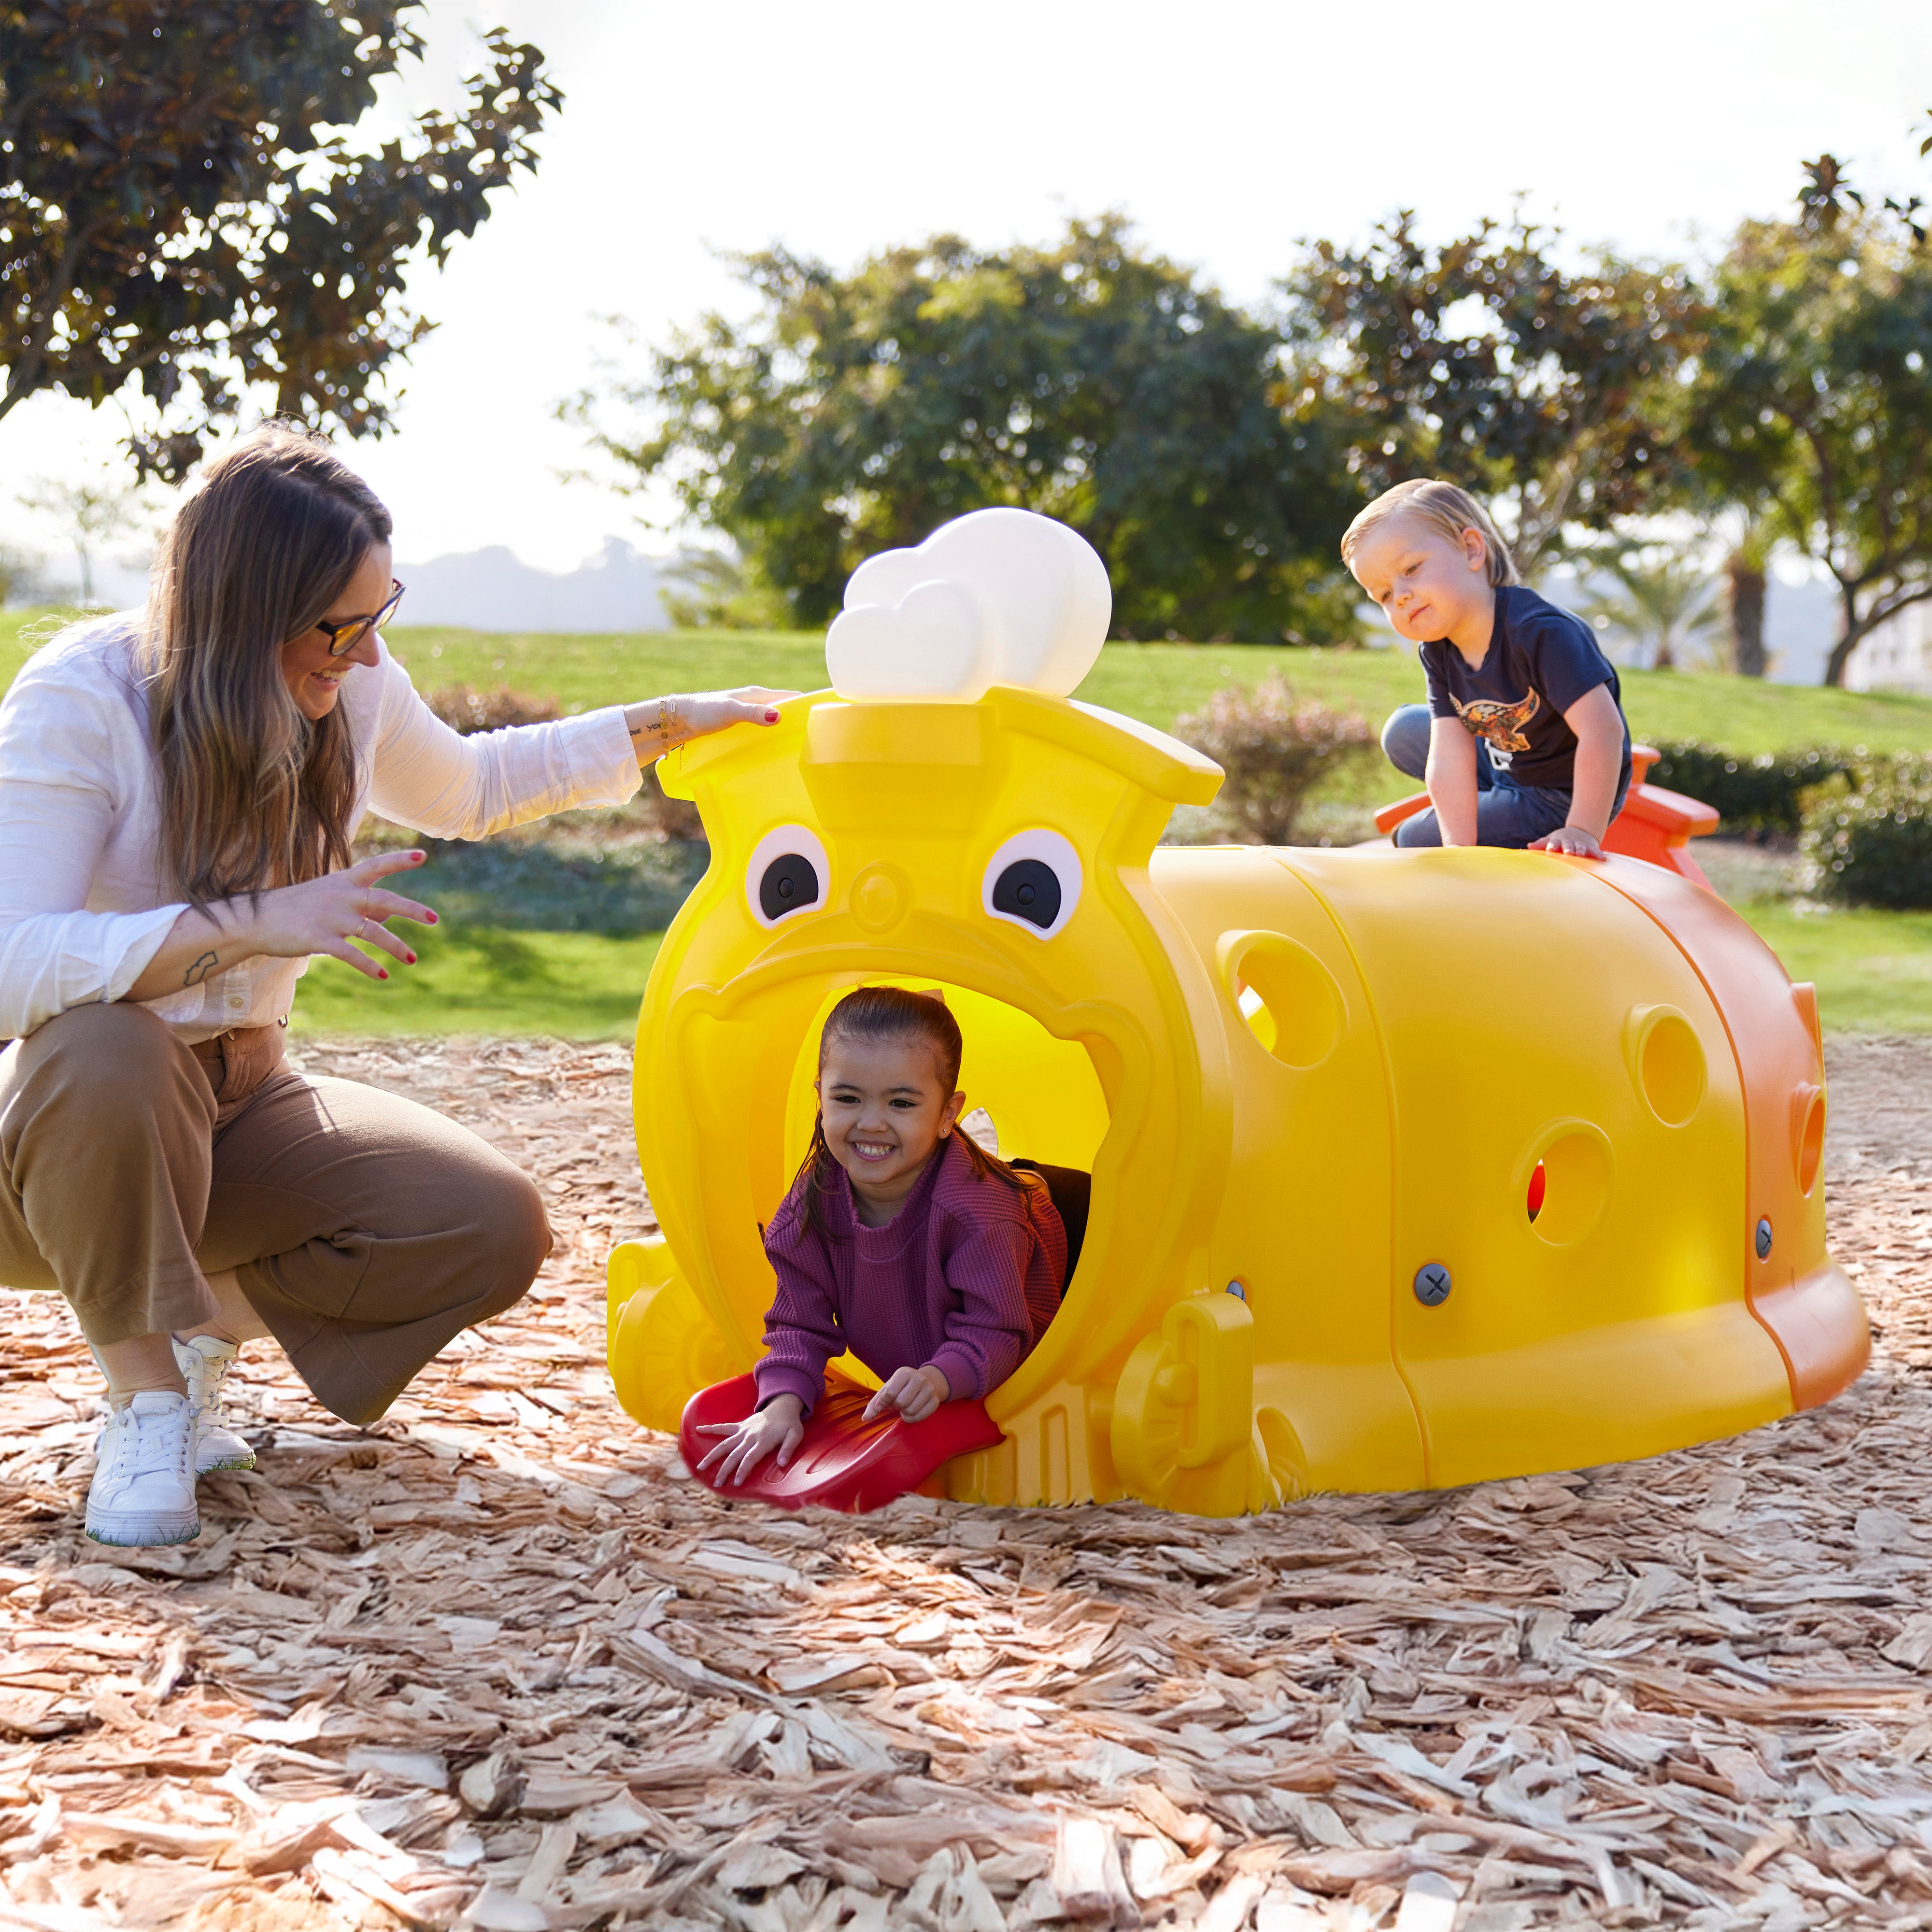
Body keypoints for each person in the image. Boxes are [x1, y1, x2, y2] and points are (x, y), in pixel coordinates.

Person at [0, 422, 792, 1547]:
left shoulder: (352, 689)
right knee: (107, 1043)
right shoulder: (84, 697)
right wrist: (250, 924)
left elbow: (473, 785)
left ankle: (183, 1333)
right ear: (244, 610)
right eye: (340, 624)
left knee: (487, 1225)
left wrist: (670, 721)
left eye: (381, 614)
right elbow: (12, 960)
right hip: (58, 1142)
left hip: (236, 1098)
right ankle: (147, 1400)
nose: (366, 653)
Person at [696, 987, 1065, 1488]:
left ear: (947, 1113)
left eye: (901, 1102)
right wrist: (780, 1405)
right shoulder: (809, 1209)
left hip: (1059, 1239)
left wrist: (939, 1378)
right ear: (820, 1097)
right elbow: (798, 1323)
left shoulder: (981, 1217)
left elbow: (998, 1331)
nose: (870, 1123)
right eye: (848, 1098)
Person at [1342, 479, 1632, 855]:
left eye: (1411, 569)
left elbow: (1604, 731)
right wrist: (1459, 850)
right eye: (1384, 595)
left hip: (1559, 793)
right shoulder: (1438, 650)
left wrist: (1582, 828)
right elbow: (1448, 755)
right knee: (1403, 730)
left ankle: (1509, 809)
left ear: (1471, 550)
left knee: (1414, 838)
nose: (1401, 597)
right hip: (1507, 762)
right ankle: (1494, 804)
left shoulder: (1540, 633)